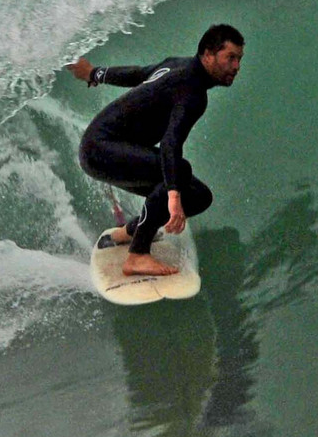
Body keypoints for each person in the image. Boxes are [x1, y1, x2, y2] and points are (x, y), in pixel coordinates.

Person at [67, 24, 244, 277]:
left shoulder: (177, 64)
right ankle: (138, 255)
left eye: (239, 59)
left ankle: (129, 232)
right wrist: (173, 197)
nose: (237, 67)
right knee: (178, 174)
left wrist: (95, 74)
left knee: (199, 195)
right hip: (101, 150)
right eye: (230, 58)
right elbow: (171, 143)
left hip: (107, 148)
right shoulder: (192, 92)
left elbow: (138, 74)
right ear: (208, 54)